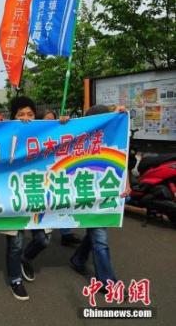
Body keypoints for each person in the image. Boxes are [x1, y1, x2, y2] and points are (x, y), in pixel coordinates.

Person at [70, 104, 131, 292]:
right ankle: (108, 284)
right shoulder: (80, 137)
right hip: (86, 192)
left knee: (96, 234)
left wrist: (126, 184)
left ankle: (78, 259)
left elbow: (123, 158)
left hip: (104, 193)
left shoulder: (115, 134)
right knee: (100, 239)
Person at [2, 97, 52, 301]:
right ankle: (15, 280)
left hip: (37, 192)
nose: (25, 118)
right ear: (13, 116)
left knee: (43, 239)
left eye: (30, 114)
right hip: (12, 194)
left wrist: (64, 122)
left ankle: (25, 259)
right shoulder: (4, 135)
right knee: (15, 242)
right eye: (20, 114)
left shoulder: (44, 133)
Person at [41, 109, 82, 247]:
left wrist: (66, 123)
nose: (50, 122)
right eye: (46, 119)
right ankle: (43, 231)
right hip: (41, 174)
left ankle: (66, 233)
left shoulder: (59, 131)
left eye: (52, 119)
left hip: (58, 172)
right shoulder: (37, 134)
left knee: (62, 200)